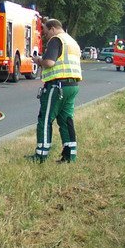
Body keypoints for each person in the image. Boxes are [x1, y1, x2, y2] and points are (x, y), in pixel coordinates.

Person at [28, 18, 82, 163]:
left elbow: (49, 62)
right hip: (72, 86)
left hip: (57, 87)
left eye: (45, 32)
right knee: (66, 120)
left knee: (45, 119)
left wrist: (38, 60)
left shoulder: (56, 40)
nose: (45, 36)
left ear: (52, 29)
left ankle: (41, 155)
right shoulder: (72, 42)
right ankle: (70, 156)